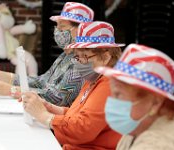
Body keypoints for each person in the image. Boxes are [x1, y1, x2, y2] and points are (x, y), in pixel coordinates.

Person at [22, 21, 124, 149]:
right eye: (77, 57)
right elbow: (77, 114)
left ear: (106, 56)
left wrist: (45, 116)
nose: (80, 62)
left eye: (85, 56)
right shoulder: (94, 78)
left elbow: (82, 129)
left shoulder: (110, 84)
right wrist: (50, 107)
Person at [0, 2, 94, 106]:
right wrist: (6, 76)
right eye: (57, 26)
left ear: (80, 29)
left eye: (62, 27)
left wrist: (12, 90)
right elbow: (42, 82)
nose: (57, 31)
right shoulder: (65, 55)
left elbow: (57, 98)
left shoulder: (83, 62)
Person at [95, 44, 174, 150]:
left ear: (155, 103)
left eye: (118, 94)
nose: (111, 101)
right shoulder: (137, 129)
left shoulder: (157, 144)